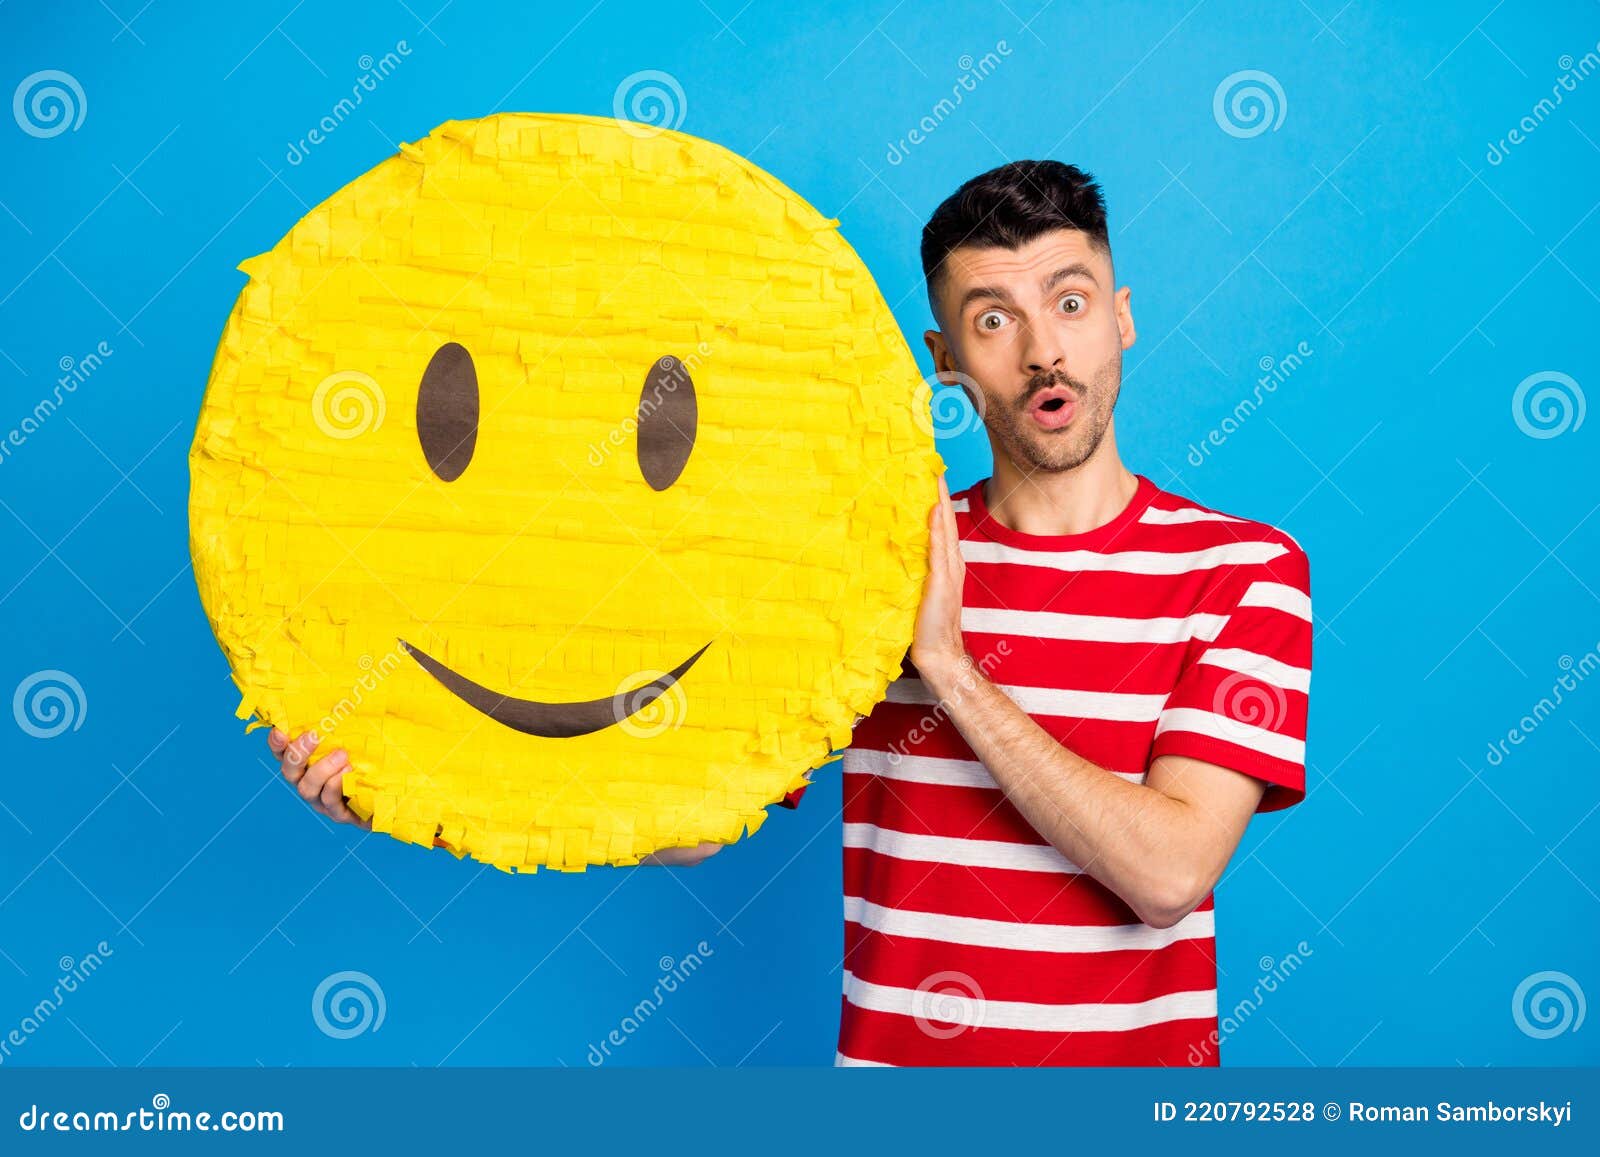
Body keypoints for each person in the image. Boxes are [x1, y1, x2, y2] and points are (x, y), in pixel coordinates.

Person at [272, 159, 1312, 1064]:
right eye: (992, 318)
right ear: (943, 358)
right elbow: (694, 823)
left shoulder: (1243, 568)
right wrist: (415, 783)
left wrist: (947, 665)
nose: (1043, 349)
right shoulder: (864, 560)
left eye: (1070, 301)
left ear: (1121, 315)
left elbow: (1168, 873)